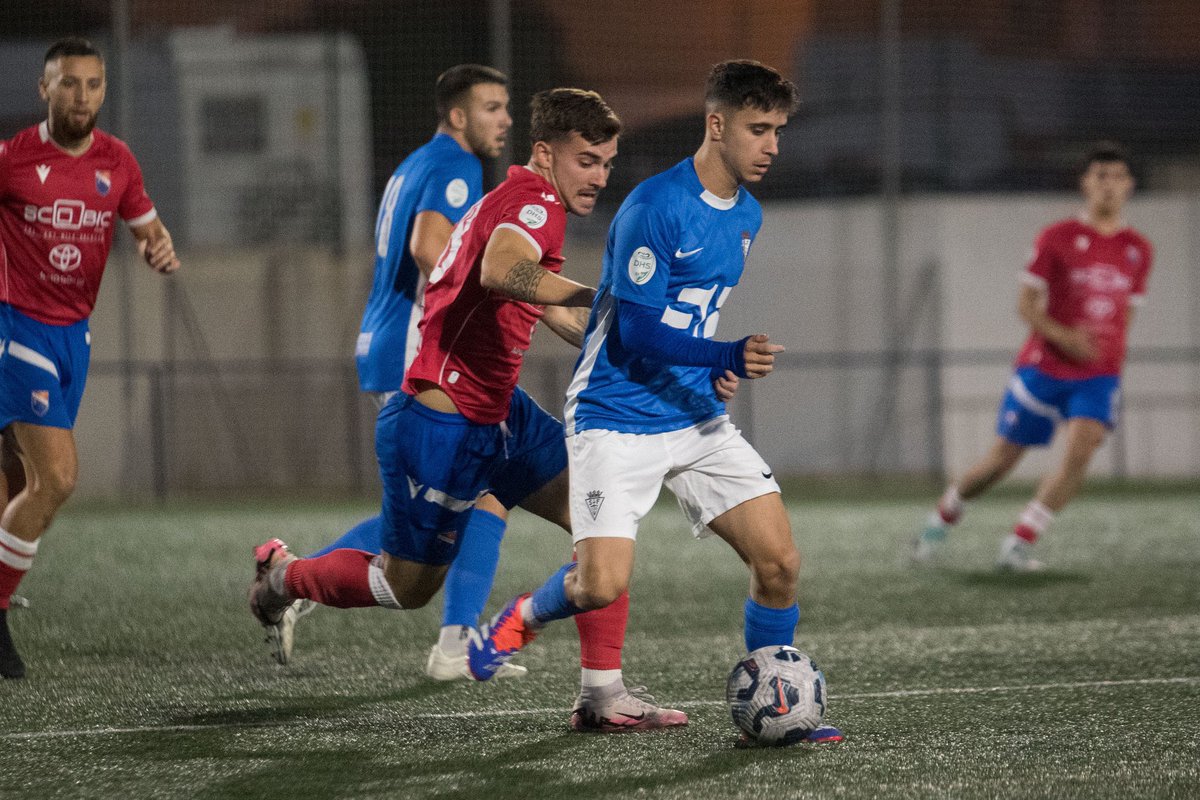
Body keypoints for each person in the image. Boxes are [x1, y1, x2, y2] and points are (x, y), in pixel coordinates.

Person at [250, 87, 688, 731]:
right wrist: (601, 297)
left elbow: (550, 307)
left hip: (499, 412)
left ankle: (602, 694)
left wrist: (623, 339)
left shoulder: (520, 198)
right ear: (545, 154)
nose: (599, 177)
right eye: (586, 161)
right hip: (441, 423)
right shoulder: (533, 203)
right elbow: (503, 270)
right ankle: (284, 577)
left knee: (602, 517)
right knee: (405, 586)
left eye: (606, 163)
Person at [465, 60, 842, 744]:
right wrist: (726, 354)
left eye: (778, 130)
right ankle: (521, 615)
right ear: (716, 124)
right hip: (615, 417)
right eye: (759, 129)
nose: (772, 145)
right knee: (599, 584)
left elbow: (686, 323)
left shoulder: (748, 214)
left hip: (693, 416)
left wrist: (712, 374)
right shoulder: (655, 207)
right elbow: (636, 333)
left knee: (780, 563)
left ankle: (779, 708)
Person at [276, 64, 525, 681]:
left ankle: (449, 645)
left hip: (390, 337)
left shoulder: (416, 162)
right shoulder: (455, 167)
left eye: (505, 107)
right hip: (420, 351)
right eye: (492, 107)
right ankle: (296, 579)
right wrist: (486, 299)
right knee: (468, 499)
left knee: (466, 498)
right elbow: (427, 246)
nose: (505, 119)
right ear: (459, 116)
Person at [0, 37, 180, 679]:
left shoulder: (118, 160)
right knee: (58, 479)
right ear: (43, 89)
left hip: (75, 336)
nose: (82, 96)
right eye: (68, 83)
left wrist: (159, 248)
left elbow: (148, 228)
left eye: (93, 84)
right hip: (15, 327)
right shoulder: (14, 159)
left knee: (16, 482)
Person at [914, 143, 1152, 571]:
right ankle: (942, 516)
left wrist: (1113, 364)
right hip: (1044, 367)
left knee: (1083, 448)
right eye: (1100, 175)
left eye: (1117, 176)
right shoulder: (1056, 237)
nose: (1109, 185)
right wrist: (1065, 337)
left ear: (1129, 185)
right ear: (1085, 183)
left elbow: (1126, 316)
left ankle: (1020, 541)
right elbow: (1026, 305)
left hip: (1098, 375)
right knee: (1001, 460)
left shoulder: (1138, 249)